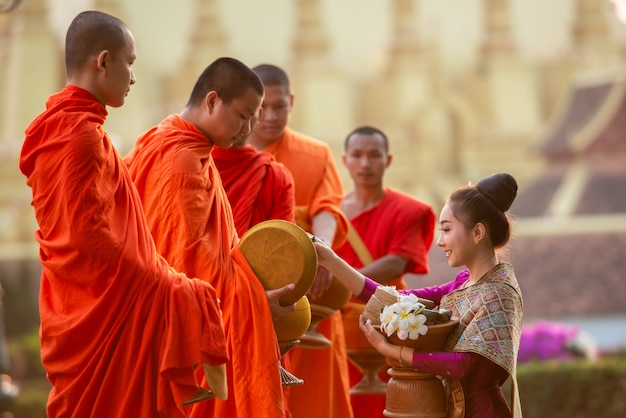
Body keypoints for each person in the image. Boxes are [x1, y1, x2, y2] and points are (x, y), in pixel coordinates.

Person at [19, 11, 228, 418]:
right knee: (192, 296)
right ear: (103, 62)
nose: (133, 77)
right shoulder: (80, 134)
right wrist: (161, 281)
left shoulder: (56, 126)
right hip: (102, 304)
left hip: (76, 296)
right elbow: (86, 237)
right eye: (129, 63)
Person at [124, 57, 295, 418]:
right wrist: (258, 303)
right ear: (213, 100)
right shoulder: (183, 160)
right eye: (244, 115)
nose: (249, 127)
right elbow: (190, 265)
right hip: (177, 323)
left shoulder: (163, 137)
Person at [313, 173, 524, 418]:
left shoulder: (499, 292)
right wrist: (330, 260)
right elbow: (397, 299)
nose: (439, 241)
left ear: (477, 232)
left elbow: (463, 366)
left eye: (446, 230)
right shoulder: (464, 282)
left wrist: (391, 351)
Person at [247, 64, 352, 418]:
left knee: (316, 399)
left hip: (312, 297)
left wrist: (317, 253)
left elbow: (327, 208)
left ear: (291, 102)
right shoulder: (225, 152)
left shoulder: (315, 153)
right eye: (262, 107)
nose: (271, 116)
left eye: (280, 106)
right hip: (252, 294)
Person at [337, 126, 436, 417]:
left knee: (393, 406)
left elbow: (397, 262)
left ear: (388, 160)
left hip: (390, 327)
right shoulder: (330, 215)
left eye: (374, 155)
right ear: (345, 160)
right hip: (339, 329)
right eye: (357, 155)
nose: (365, 164)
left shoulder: (409, 210)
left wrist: (340, 281)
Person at [212, 114, 295, 236]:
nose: (244, 127)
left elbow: (282, 243)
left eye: (247, 114)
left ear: (258, 114)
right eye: (238, 114)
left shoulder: (274, 175)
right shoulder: (193, 163)